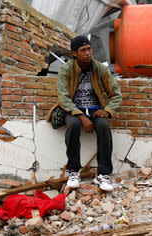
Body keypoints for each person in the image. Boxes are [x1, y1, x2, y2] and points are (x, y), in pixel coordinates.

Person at [48, 35, 122, 191]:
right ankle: (73, 171)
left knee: (103, 126)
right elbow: (63, 97)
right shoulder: (66, 69)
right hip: (74, 109)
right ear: (74, 53)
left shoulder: (99, 68)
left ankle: (103, 174)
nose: (88, 53)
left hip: (95, 110)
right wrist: (80, 116)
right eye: (83, 50)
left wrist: (107, 110)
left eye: (89, 49)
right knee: (73, 125)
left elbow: (116, 93)